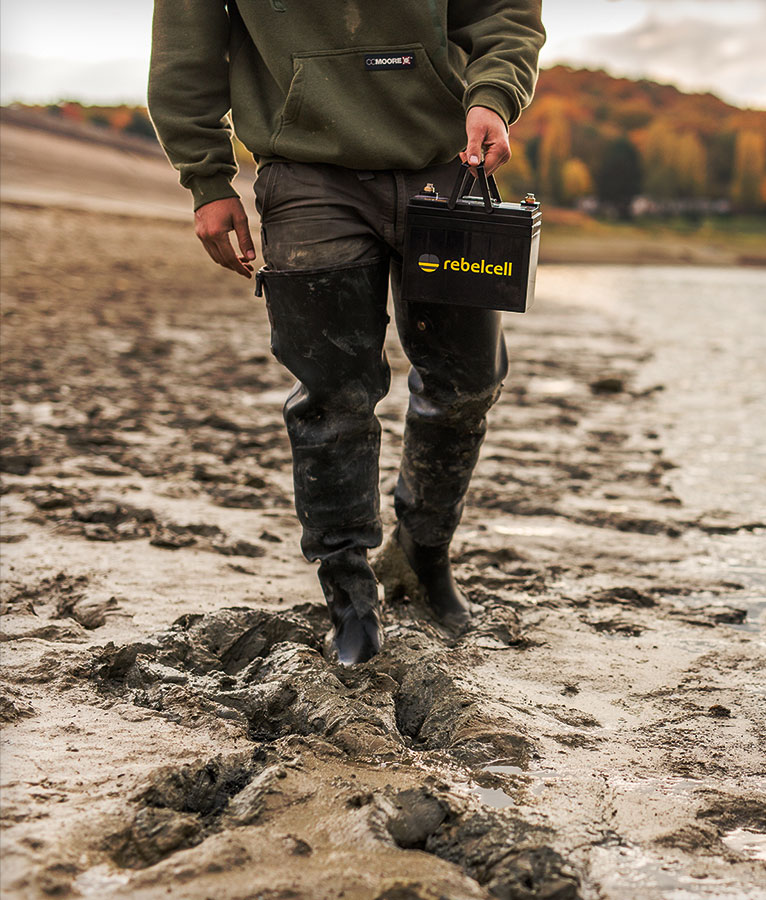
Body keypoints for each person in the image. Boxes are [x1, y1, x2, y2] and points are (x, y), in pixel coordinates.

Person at [147, 1, 545, 665]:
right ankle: (349, 595)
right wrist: (206, 177)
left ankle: (421, 553)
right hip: (307, 172)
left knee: (468, 382)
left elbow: (506, 10)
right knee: (334, 397)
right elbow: (184, 49)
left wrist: (494, 94)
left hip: (447, 164)